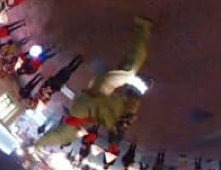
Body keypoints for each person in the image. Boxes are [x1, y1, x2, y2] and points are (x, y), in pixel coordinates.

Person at [34, 18, 153, 148]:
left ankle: (143, 28)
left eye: (77, 134)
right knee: (126, 66)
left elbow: (59, 135)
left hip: (103, 85)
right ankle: (140, 33)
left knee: (129, 71)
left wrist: (113, 117)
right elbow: (57, 135)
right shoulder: (78, 115)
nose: (81, 133)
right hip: (102, 85)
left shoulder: (79, 114)